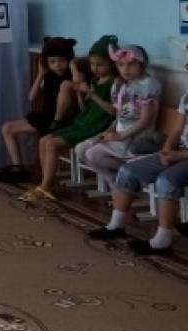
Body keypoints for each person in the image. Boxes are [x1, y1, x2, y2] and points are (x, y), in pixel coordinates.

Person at [88, 85, 188, 255]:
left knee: (166, 180)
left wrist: (177, 156)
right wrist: (167, 150)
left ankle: (162, 242)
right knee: (128, 171)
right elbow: (177, 130)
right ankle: (116, 226)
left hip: (183, 156)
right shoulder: (186, 97)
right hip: (177, 153)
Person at [22, 36, 118, 203]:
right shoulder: (95, 80)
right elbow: (84, 108)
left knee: (51, 144)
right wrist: (81, 94)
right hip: (83, 121)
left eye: (100, 65)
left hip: (96, 126)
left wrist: (93, 94)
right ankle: (48, 185)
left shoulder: (115, 83)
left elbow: (113, 112)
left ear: (112, 63)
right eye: (92, 64)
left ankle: (45, 187)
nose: (95, 69)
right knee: (43, 140)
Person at [73, 44, 161, 195]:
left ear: (142, 64)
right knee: (80, 149)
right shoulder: (119, 84)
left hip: (138, 139)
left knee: (92, 155)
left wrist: (120, 136)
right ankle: (114, 179)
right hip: (120, 136)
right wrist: (106, 133)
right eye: (121, 65)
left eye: (131, 64)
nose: (126, 69)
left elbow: (145, 120)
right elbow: (119, 117)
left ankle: (127, 176)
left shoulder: (147, 85)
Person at [0, 36, 76, 182]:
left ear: (69, 60)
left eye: (61, 61)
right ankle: (18, 166)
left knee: (44, 141)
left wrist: (74, 68)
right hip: (45, 117)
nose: (57, 65)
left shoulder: (71, 78)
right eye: (52, 62)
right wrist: (40, 74)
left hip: (60, 120)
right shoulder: (49, 75)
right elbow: (31, 97)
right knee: (7, 128)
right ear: (46, 63)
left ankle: (46, 179)